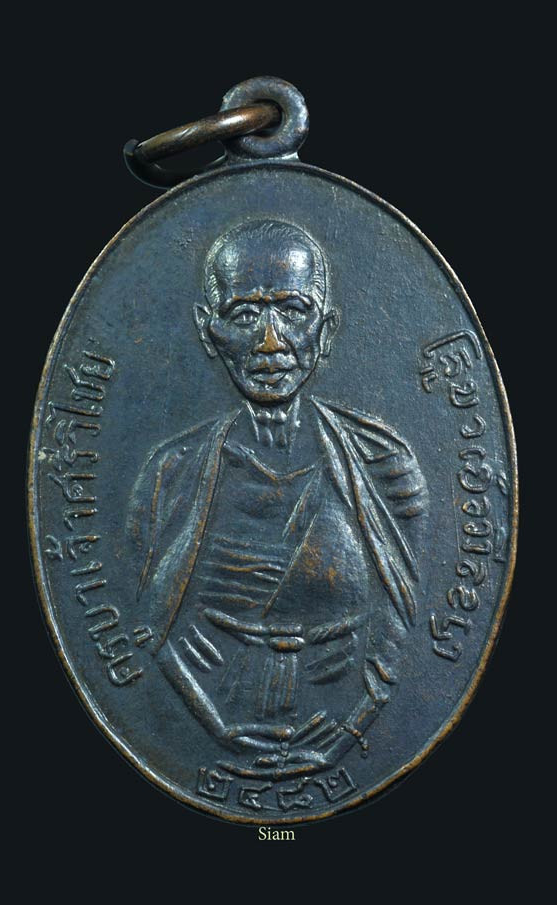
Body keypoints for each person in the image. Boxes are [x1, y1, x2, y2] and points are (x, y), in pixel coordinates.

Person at [128, 219, 428, 780]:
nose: (270, 342)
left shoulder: (383, 465)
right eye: (244, 315)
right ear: (208, 331)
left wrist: (350, 731)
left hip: (344, 723)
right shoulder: (171, 474)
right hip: (209, 720)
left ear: (326, 329)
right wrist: (217, 727)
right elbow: (146, 626)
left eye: (292, 311)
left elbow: (405, 628)